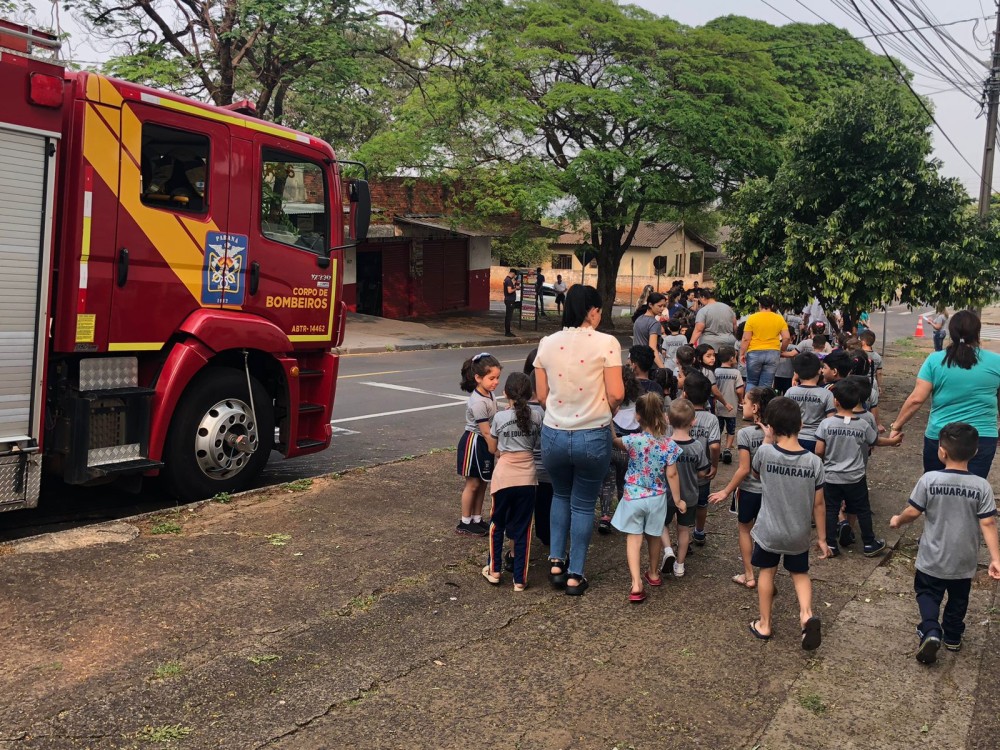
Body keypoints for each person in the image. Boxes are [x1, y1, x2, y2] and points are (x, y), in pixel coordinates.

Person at [534, 285, 625, 596]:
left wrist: (562, 414)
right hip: (593, 434)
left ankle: (556, 562)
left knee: (560, 495)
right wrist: (604, 411)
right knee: (584, 503)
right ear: (593, 311)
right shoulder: (607, 343)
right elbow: (616, 393)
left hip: (554, 434)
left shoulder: (546, 343)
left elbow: (542, 396)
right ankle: (575, 575)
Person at [890, 422, 1000, 663]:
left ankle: (930, 630)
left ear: (942, 451)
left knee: (927, 593)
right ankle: (953, 636)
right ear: (975, 451)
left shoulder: (929, 480)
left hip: (932, 556)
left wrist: (898, 520)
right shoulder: (981, 486)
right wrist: (995, 558)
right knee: (959, 598)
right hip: (964, 559)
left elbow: (913, 511)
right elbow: (988, 523)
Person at [748, 397, 830, 649]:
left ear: (770, 427)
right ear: (801, 424)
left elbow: (755, 474)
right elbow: (819, 504)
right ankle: (806, 615)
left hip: (769, 530)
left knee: (767, 573)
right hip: (798, 531)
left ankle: (765, 623)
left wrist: (766, 441)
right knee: (800, 574)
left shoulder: (765, 452)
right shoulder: (814, 462)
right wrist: (822, 539)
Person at [888, 310, 1000, 479]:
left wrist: (897, 426)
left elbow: (917, 399)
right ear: (977, 333)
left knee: (935, 488)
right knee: (972, 490)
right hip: (982, 437)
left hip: (941, 437)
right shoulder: (996, 362)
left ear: (951, 333)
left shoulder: (935, 360)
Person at [815, 379, 901, 558]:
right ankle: (869, 542)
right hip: (855, 476)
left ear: (835, 401)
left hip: (832, 476)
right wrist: (893, 442)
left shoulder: (826, 424)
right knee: (862, 509)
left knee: (831, 509)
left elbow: (819, 450)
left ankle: (831, 544)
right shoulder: (862, 424)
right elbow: (875, 440)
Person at [611, 392, 684, 603]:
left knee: (633, 539)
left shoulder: (633, 441)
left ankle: (636, 583)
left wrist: (609, 421)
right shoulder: (668, 444)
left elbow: (615, 441)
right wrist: (678, 500)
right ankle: (653, 573)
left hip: (633, 495)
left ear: (638, 416)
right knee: (653, 535)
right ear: (662, 414)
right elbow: (671, 474)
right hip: (657, 497)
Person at [709, 386, 777, 589]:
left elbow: (744, 469)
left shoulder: (745, 433)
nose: (742, 405)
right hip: (771, 492)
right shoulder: (779, 432)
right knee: (769, 535)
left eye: (745, 403)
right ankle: (768, 580)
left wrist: (725, 490)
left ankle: (749, 575)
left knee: (745, 530)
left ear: (755, 408)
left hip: (749, 491)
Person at [482, 372, 542, 591]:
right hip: (528, 477)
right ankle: (520, 579)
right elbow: (536, 443)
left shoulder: (499, 418)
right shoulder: (537, 416)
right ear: (529, 393)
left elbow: (493, 448)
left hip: (504, 476)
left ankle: (495, 569)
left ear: (505, 392)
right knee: (523, 528)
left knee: (497, 523)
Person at [660, 398, 709, 578]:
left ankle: (667, 550)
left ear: (667, 419)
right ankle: (679, 565)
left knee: (661, 524)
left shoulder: (664, 445)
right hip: (689, 495)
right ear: (693, 421)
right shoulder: (696, 447)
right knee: (684, 529)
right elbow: (703, 472)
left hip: (666, 494)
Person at [456, 353, 501, 536]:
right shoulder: (478, 402)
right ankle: (465, 521)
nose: (495, 382)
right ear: (478, 378)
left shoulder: (489, 394)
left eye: (497, 378)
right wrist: (496, 450)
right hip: (474, 443)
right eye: (491, 378)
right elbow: (484, 430)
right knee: (473, 483)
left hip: (484, 442)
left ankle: (477, 518)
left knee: (483, 482)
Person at [598, 365, 646, 535]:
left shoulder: (608, 402)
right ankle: (624, 515)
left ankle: (605, 516)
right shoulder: (639, 404)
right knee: (624, 483)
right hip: (629, 450)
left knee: (607, 483)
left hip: (610, 449)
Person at [677, 371, 721, 547]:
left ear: (685, 394)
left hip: (679, 471)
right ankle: (699, 532)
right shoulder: (711, 419)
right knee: (702, 504)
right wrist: (715, 465)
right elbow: (715, 446)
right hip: (702, 473)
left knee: (680, 504)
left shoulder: (677, 415)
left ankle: (682, 536)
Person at [784, 352, 834, 454]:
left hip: (793, 438)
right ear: (819, 371)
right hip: (816, 441)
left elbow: (783, 416)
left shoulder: (790, 392)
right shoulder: (827, 394)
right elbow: (831, 421)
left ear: (796, 372)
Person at [739, 294, 790, 389]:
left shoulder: (752, 318)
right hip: (773, 353)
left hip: (754, 352)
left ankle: (750, 403)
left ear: (759, 305)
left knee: (751, 382)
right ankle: (762, 404)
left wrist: (742, 353)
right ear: (772, 306)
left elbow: (746, 339)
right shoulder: (779, 318)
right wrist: (782, 350)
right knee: (766, 384)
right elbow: (786, 337)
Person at [714, 346, 744, 465]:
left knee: (718, 430)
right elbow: (739, 390)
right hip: (732, 406)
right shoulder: (736, 373)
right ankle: (727, 450)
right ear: (732, 358)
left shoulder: (715, 372)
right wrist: (741, 400)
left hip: (718, 406)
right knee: (731, 430)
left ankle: (718, 450)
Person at [690, 288, 737, 352]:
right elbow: (735, 326)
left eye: (700, 299)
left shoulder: (703, 310)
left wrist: (690, 344)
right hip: (729, 344)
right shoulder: (728, 308)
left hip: (710, 346)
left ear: (703, 297)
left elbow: (698, 330)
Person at [632, 292, 667, 370]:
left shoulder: (638, 319)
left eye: (664, 306)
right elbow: (652, 348)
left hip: (636, 362)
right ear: (650, 305)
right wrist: (663, 369)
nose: (662, 309)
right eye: (659, 306)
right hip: (648, 366)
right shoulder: (654, 323)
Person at [502, 269, 519, 338]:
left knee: (508, 316)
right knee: (508, 317)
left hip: (508, 300)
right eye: (514, 275)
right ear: (512, 273)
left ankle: (507, 331)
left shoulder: (506, 279)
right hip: (509, 300)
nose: (514, 277)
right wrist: (516, 288)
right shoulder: (508, 280)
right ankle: (507, 332)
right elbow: (509, 291)